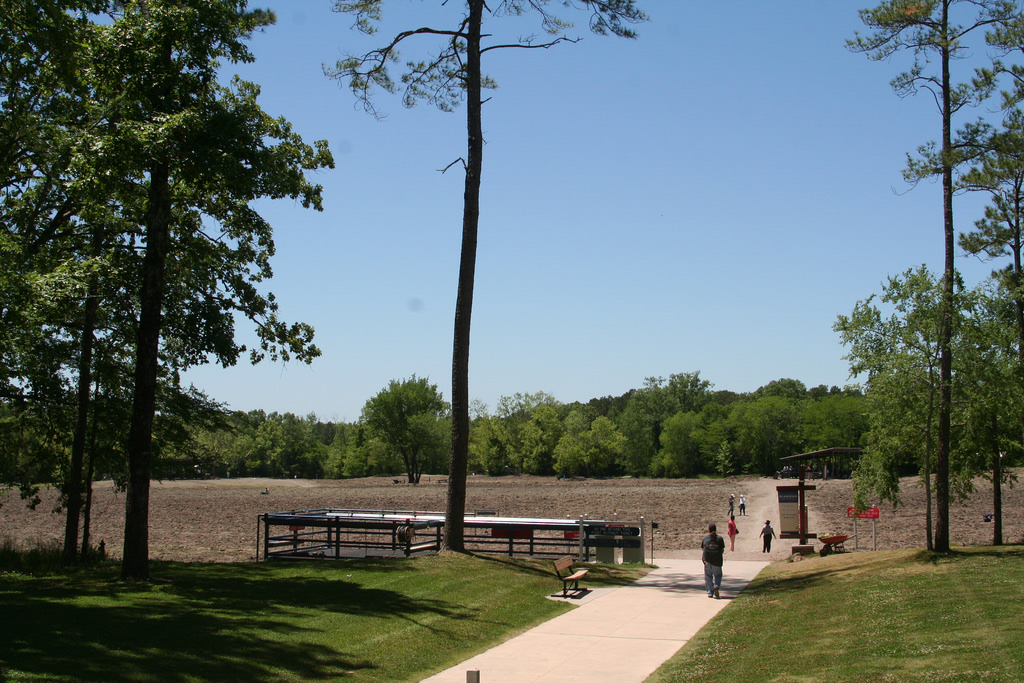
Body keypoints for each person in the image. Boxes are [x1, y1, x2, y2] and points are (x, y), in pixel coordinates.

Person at [700, 522, 726, 598]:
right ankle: (716, 586)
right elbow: (722, 550)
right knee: (718, 575)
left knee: (708, 576)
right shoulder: (720, 538)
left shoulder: (705, 538)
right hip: (717, 561)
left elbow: (703, 548)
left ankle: (710, 592)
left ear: (709, 529)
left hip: (707, 560)